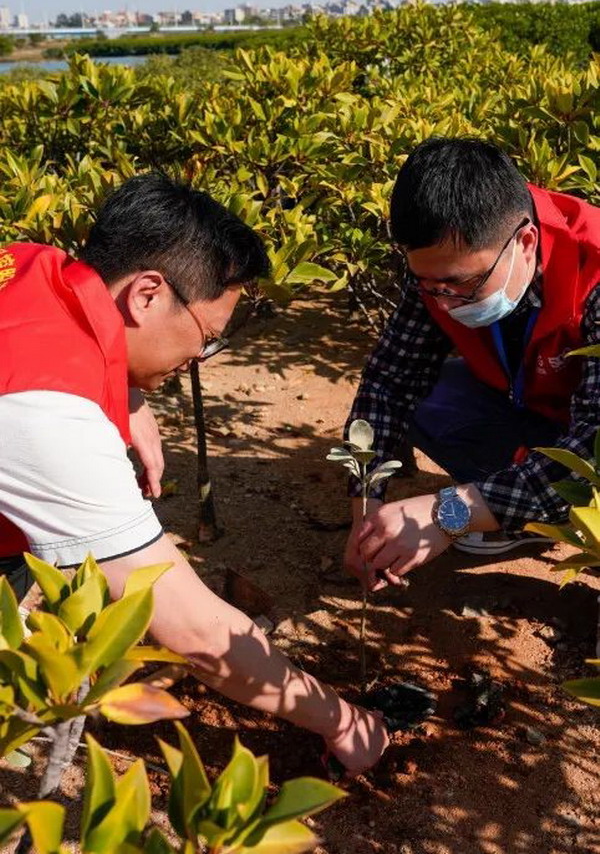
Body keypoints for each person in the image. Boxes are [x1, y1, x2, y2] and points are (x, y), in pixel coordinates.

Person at [0, 173, 388, 774]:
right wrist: (342, 720)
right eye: (206, 338)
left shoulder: (31, 264)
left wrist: (125, 393)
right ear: (147, 294)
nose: (196, 358)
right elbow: (194, 630)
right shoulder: (47, 412)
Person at [345, 137, 600, 590]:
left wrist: (448, 514)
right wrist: (365, 503)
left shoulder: (594, 266)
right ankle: (514, 511)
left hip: (588, 436)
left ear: (525, 242)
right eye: (429, 286)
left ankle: (520, 510)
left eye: (462, 285)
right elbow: (390, 379)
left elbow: (595, 447)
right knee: (436, 398)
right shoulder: (442, 263)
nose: (443, 303)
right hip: (537, 408)